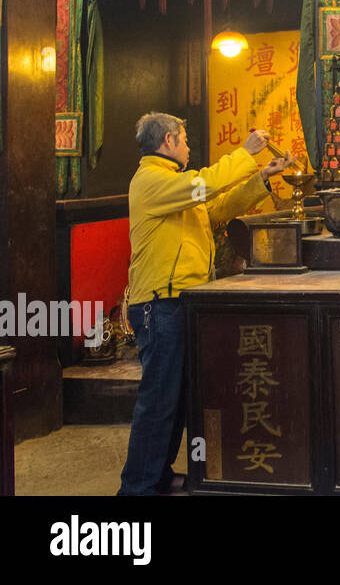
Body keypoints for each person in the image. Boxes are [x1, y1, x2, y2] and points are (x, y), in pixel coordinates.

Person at [118, 114, 291, 495]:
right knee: (158, 402)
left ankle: (156, 477)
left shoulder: (175, 186)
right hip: (160, 304)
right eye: (184, 139)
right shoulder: (151, 181)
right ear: (168, 140)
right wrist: (245, 154)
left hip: (181, 301)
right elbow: (205, 186)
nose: (188, 146)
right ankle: (137, 488)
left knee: (175, 401)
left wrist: (261, 178)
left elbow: (214, 209)